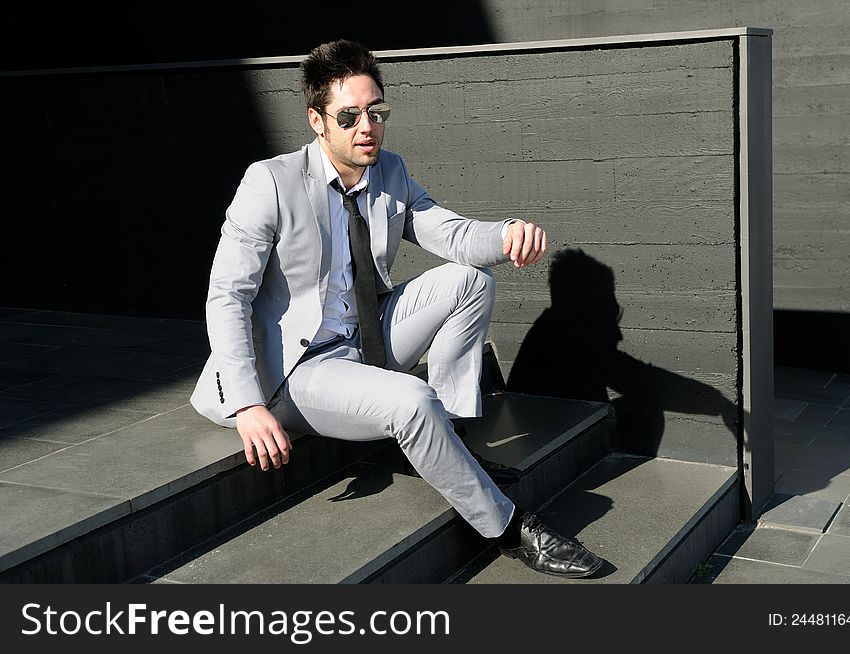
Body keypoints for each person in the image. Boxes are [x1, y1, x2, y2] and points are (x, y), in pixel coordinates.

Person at [191, 39, 604, 579]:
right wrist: (248, 405)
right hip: (294, 369)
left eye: (376, 112)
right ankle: (506, 528)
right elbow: (227, 294)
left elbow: (449, 233)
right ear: (318, 121)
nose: (368, 127)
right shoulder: (270, 182)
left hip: (364, 342)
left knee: (470, 280)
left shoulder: (389, 171)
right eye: (350, 116)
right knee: (411, 398)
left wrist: (505, 235)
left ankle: (450, 437)